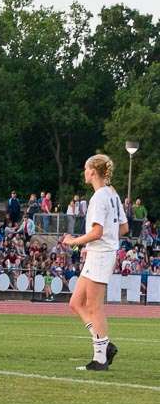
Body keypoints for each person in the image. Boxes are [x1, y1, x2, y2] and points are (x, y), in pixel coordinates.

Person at [62, 154, 128, 371]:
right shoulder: (113, 194)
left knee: (94, 306)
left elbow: (97, 232)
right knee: (76, 303)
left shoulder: (100, 197)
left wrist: (74, 242)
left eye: (85, 169)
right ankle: (104, 345)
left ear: (92, 171)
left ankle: (100, 358)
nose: (84, 173)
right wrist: (108, 239)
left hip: (100, 254)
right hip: (99, 254)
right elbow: (124, 228)